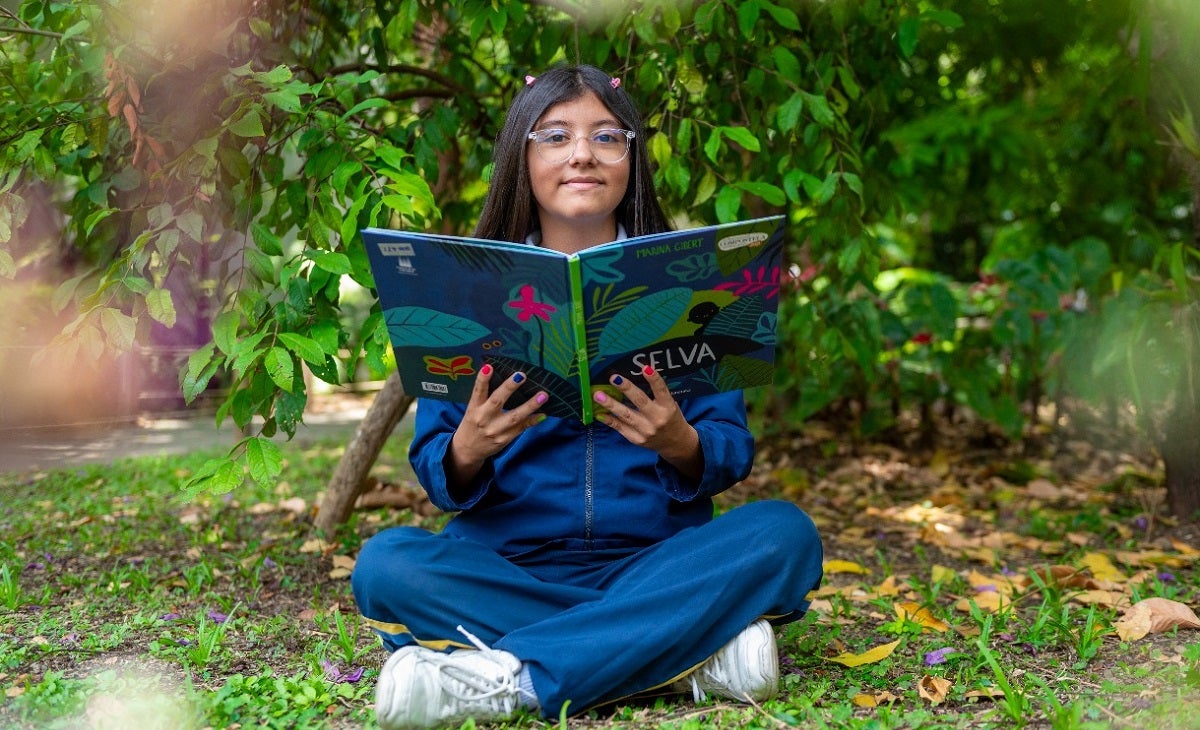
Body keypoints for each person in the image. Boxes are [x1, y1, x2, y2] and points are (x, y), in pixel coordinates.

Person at [351, 64, 824, 730]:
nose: (582, 153)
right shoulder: (463, 287)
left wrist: (679, 443)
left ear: (632, 157)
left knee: (785, 534)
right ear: (524, 155)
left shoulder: (694, 282)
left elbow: (729, 449)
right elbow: (436, 470)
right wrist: (469, 448)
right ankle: (690, 655)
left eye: (607, 136)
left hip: (660, 564)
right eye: (555, 136)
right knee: (386, 565)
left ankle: (506, 678)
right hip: (508, 570)